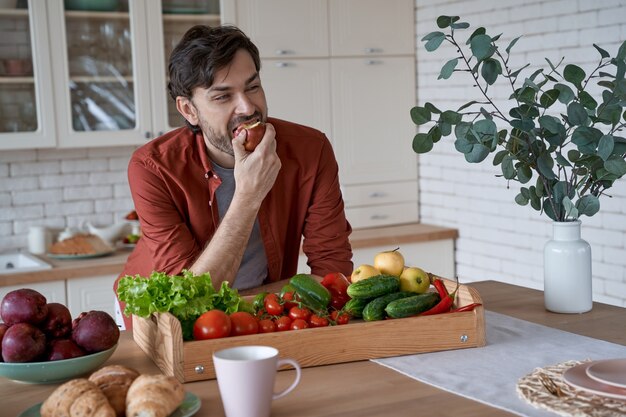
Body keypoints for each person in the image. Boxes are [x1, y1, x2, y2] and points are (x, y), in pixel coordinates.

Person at [115, 25, 353, 311]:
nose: (247, 107)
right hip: (158, 318)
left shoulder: (311, 150)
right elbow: (187, 300)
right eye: (223, 96)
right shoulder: (152, 168)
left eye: (253, 87)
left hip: (264, 311)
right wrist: (248, 196)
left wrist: (251, 302)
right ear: (189, 110)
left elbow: (332, 275)